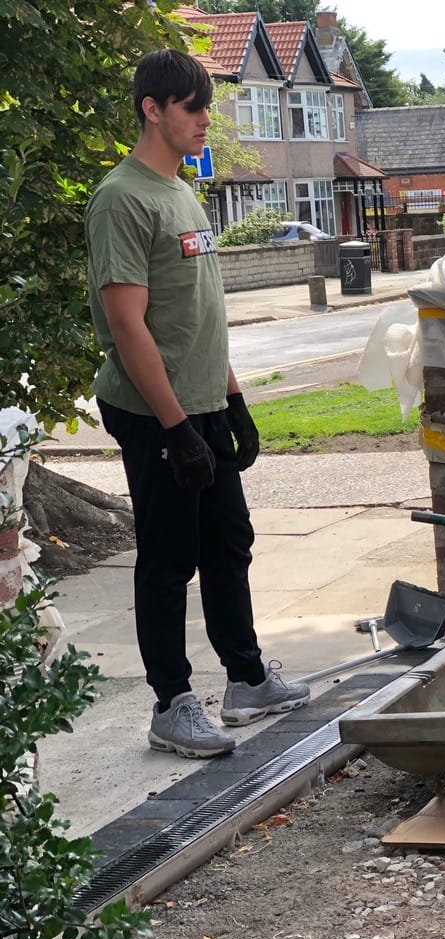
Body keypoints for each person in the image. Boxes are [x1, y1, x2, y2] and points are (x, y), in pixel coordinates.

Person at [86, 49, 310, 760]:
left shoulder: (183, 192)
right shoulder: (121, 198)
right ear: (153, 108)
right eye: (192, 106)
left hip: (202, 403)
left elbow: (197, 314)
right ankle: (171, 703)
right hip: (155, 411)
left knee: (228, 542)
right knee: (168, 557)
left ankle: (245, 679)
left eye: (206, 105)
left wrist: (232, 399)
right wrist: (178, 427)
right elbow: (128, 325)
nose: (206, 119)